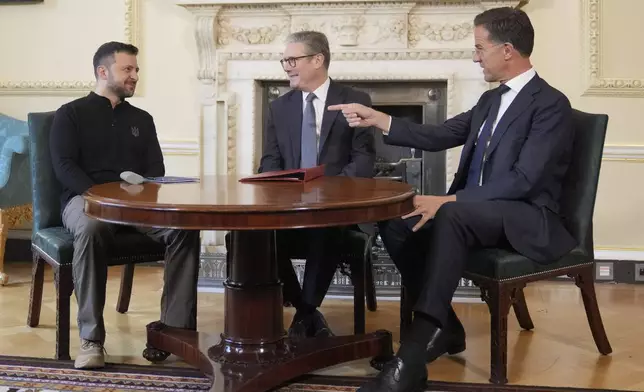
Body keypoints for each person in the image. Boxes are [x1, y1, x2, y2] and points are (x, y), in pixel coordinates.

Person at [329, 7, 577, 392]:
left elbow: (525, 181)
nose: (475, 57)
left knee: (451, 215)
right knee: (396, 218)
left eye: (480, 48)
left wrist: (449, 201)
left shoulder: (551, 105)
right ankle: (447, 328)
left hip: (526, 217)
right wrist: (378, 118)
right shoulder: (490, 102)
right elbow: (441, 134)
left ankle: (410, 358)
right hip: (477, 212)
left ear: (507, 50)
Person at [49, 41, 201, 369]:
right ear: (103, 72)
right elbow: (63, 167)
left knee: (184, 228)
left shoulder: (142, 119)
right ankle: (91, 340)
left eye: (136, 70)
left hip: (136, 206)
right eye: (127, 69)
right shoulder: (70, 114)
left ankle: (173, 332)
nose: (134, 76)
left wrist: (136, 197)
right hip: (84, 201)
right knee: (90, 227)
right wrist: (103, 198)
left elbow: (155, 172)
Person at [226, 30, 375, 340]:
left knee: (325, 228)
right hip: (289, 209)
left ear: (318, 60)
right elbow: (270, 161)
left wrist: (328, 193)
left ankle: (304, 314)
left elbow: (362, 161)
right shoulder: (280, 108)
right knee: (246, 235)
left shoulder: (356, 101)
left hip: (336, 211)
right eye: (285, 61)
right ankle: (307, 313)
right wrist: (285, 192)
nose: (287, 66)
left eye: (292, 60)